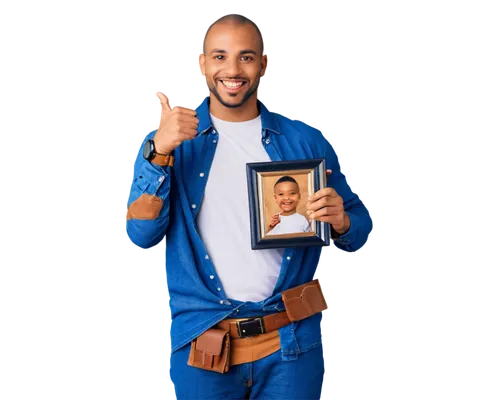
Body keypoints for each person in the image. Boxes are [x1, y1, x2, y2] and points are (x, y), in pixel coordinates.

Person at [124, 11, 374, 399]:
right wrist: (158, 153)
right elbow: (140, 236)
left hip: (292, 345)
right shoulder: (168, 140)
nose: (233, 69)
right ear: (201, 63)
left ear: (264, 64)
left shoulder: (306, 139)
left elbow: (360, 231)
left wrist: (341, 220)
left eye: (246, 56)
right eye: (220, 56)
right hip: (202, 346)